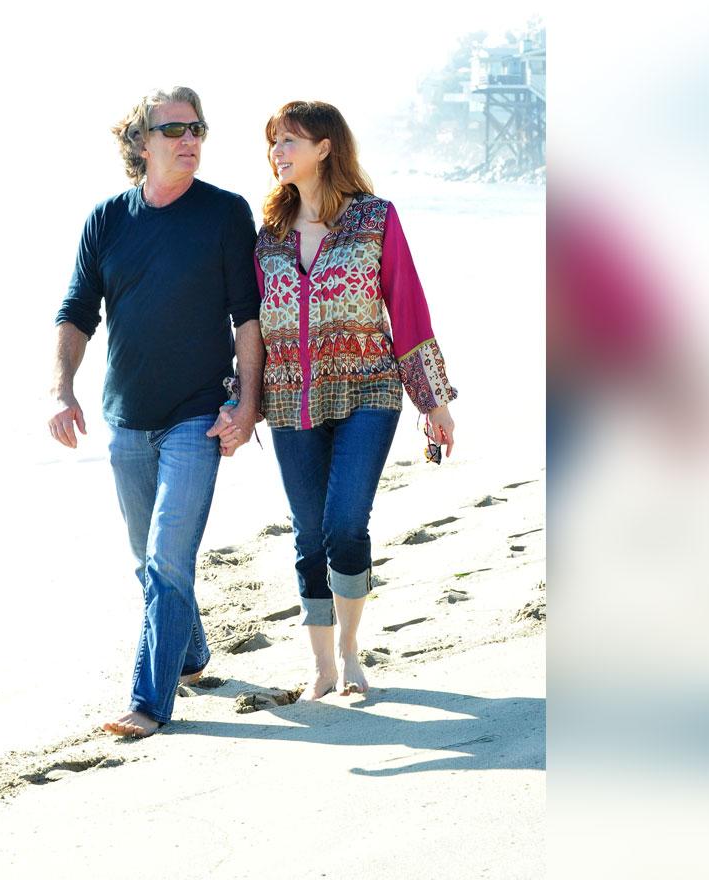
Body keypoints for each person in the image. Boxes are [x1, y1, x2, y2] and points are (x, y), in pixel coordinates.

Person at [49, 86, 263, 738]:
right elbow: (77, 313)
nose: (190, 139)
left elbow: (248, 318)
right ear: (141, 141)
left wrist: (248, 403)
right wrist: (62, 388)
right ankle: (192, 653)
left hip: (197, 419)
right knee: (149, 561)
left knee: (170, 560)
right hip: (127, 420)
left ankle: (149, 702)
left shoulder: (225, 213)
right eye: (175, 129)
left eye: (198, 127)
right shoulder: (107, 220)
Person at [255, 100, 458, 700]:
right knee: (309, 532)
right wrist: (238, 402)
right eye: (272, 143)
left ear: (325, 147)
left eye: (289, 140)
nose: (277, 152)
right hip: (291, 399)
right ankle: (320, 663)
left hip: (369, 389)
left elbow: (408, 307)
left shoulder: (375, 219)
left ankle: (350, 649)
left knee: (346, 523)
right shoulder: (265, 237)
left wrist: (433, 402)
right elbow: (246, 326)